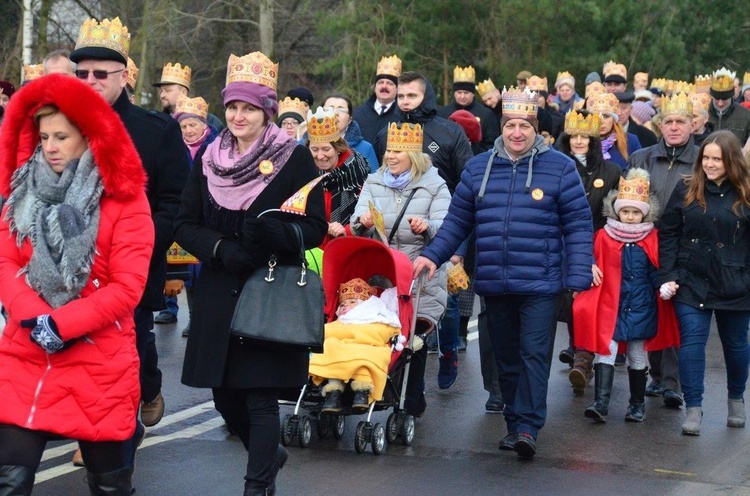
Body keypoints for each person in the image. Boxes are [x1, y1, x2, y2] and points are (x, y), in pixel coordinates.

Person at [174, 51, 327, 494]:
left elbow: (314, 228)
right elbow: (185, 223)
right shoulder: (209, 157)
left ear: (267, 111)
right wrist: (220, 248)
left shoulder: (294, 159)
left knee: (261, 398)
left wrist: (270, 233)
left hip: (270, 289)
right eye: (233, 107)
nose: (239, 116)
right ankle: (269, 454)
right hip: (221, 287)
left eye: (250, 108)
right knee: (225, 398)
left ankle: (257, 486)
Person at [413, 87, 593, 459]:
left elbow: (578, 225)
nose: (517, 133)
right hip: (495, 282)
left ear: (536, 129)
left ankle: (528, 425)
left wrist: (576, 277)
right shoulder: (479, 168)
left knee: (534, 355)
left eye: (524, 126)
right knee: (506, 357)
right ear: (501, 127)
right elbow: (457, 222)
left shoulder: (561, 167)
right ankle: (514, 422)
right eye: (510, 125)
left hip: (542, 283)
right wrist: (433, 255)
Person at [0, 74, 153, 495]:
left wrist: (62, 325)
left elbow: (127, 287)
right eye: (44, 135)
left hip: (100, 361)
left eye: (61, 136)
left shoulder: (125, 198)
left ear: (88, 136)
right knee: (9, 478)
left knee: (109, 486)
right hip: (26, 351)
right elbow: (5, 261)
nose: (49, 146)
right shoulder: (22, 190)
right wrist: (36, 320)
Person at [70, 16, 191, 430]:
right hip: (73, 262)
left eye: (100, 73)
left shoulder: (155, 132)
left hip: (131, 265)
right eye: (81, 72)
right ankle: (96, 434)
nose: (89, 80)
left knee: (131, 345)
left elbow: (175, 200)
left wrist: (140, 247)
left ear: (123, 76)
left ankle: (147, 388)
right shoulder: (59, 126)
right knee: (79, 349)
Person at [351, 122, 451, 413]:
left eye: (398, 151)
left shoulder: (435, 185)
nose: (390, 157)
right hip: (382, 275)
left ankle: (411, 399)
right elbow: (357, 221)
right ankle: (370, 391)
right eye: (388, 151)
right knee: (377, 335)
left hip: (419, 276)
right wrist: (363, 223)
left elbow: (446, 227)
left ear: (414, 155)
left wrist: (427, 226)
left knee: (412, 342)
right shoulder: (374, 181)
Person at [658, 130, 750, 436]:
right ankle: (693, 406)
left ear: (732, 161)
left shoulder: (747, 192)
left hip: (736, 283)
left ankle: (736, 397)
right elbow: (668, 232)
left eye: (717, 159)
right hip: (691, 279)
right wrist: (669, 274)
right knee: (692, 343)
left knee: (736, 345)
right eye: (706, 158)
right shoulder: (687, 187)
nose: (710, 164)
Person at [574, 169, 678, 423]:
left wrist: (663, 285)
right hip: (610, 306)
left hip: (642, 307)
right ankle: (601, 403)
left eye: (635, 212)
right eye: (625, 211)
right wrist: (588, 266)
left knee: (636, 355)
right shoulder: (603, 236)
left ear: (644, 212)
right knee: (605, 351)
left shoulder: (652, 238)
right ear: (616, 210)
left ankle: (636, 404)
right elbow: (588, 254)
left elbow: (657, 269)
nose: (630, 217)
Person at [627, 92, 700, 407]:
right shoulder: (641, 157)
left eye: (679, 122)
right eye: (668, 121)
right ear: (660, 125)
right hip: (646, 243)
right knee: (648, 309)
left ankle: (673, 382)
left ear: (692, 125)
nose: (673, 127)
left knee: (676, 311)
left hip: (686, 245)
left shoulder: (702, 160)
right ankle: (655, 376)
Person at [555, 110, 621, 372]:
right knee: (572, 298)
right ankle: (578, 348)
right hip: (564, 240)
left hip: (600, 241)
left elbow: (614, 212)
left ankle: (586, 353)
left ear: (594, 140)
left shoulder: (612, 170)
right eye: (574, 136)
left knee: (592, 298)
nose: (579, 141)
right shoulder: (557, 165)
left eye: (585, 136)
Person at [310, 278, 401, 413]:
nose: (345, 306)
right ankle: (333, 393)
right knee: (330, 347)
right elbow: (326, 332)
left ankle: (361, 392)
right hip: (339, 353)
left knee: (366, 358)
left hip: (366, 350)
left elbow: (382, 333)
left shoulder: (377, 320)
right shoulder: (339, 323)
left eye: (352, 302)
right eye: (342, 305)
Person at [170, 95, 220, 337]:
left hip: (208, 219)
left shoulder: (216, 146)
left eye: (193, 125)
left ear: (204, 125)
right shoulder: (173, 149)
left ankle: (206, 319)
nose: (188, 130)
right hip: (184, 218)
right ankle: (192, 318)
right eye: (184, 126)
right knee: (186, 273)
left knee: (205, 272)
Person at [305, 107, 370, 247]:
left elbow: (366, 219)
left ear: (338, 149)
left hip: (348, 247)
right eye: (314, 149)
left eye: (326, 149)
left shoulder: (357, 172)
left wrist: (344, 230)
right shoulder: (304, 173)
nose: (320, 156)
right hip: (311, 250)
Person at [437, 65, 499, 152]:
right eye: (459, 92)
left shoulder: (486, 114)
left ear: (473, 93)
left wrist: (473, 148)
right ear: (454, 93)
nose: (462, 96)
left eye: (466, 92)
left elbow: (493, 144)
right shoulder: (443, 113)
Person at [152, 61, 224, 132]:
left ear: (183, 92)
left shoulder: (211, 122)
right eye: (161, 91)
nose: (162, 95)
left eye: (168, 90)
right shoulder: (157, 121)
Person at [352, 55, 401, 146]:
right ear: (375, 87)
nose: (384, 86)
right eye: (380, 82)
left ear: (397, 89)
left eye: (390, 83)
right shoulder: (357, 114)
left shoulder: (402, 117)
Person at [323, 93, 379, 171]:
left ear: (349, 120)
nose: (335, 113)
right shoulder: (306, 145)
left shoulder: (365, 148)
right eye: (329, 109)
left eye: (341, 110)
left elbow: (374, 180)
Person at [587, 91, 641, 171]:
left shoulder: (630, 141)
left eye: (606, 116)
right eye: (596, 117)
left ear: (614, 119)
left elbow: (640, 172)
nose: (601, 121)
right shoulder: (582, 142)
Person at [708, 68, 750, 145]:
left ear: (731, 97)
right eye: (717, 99)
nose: (720, 103)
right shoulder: (703, 113)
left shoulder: (746, 115)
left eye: (724, 99)